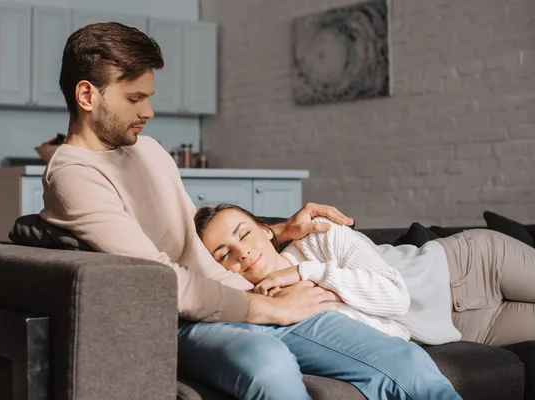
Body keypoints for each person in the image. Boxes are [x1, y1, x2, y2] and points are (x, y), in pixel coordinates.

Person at [40, 22, 460, 399]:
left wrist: (279, 231)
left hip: (241, 298)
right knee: (268, 365)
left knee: (407, 363)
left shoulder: (146, 150)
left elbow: (192, 235)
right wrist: (271, 310)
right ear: (86, 95)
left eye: (148, 98)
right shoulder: (73, 175)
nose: (147, 112)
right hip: (187, 319)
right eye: (134, 99)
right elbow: (157, 280)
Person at [194, 204, 535, 348]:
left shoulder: (319, 238)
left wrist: (307, 272)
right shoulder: (276, 308)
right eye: (224, 255)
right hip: (463, 328)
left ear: (267, 230)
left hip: (467, 265)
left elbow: (395, 297)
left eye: (244, 234)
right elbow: (396, 330)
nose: (242, 253)